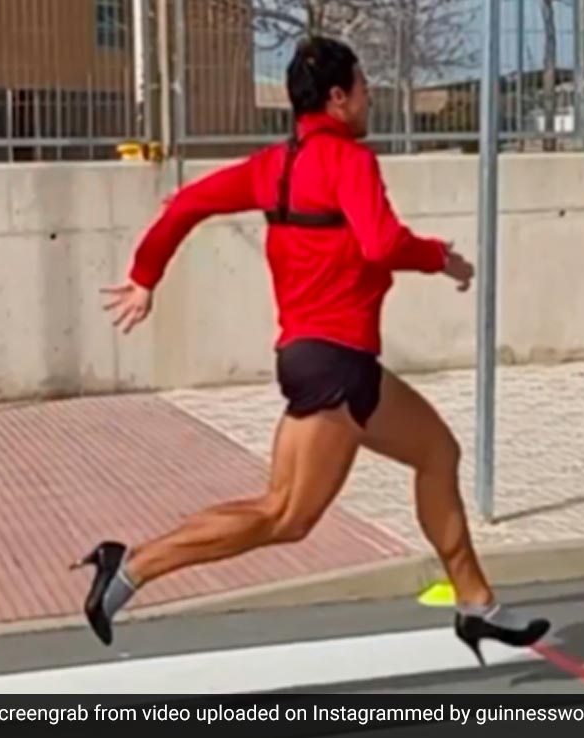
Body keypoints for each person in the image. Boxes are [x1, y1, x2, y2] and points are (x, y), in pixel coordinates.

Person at [75, 36, 550, 665]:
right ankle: (130, 567)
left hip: (330, 361)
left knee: (437, 452)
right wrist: (439, 257)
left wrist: (145, 275)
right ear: (336, 97)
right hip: (333, 364)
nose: (369, 95)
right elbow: (381, 244)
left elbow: (185, 203)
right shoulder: (349, 161)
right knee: (285, 515)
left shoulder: (274, 164)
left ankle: (476, 604)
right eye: (362, 85)